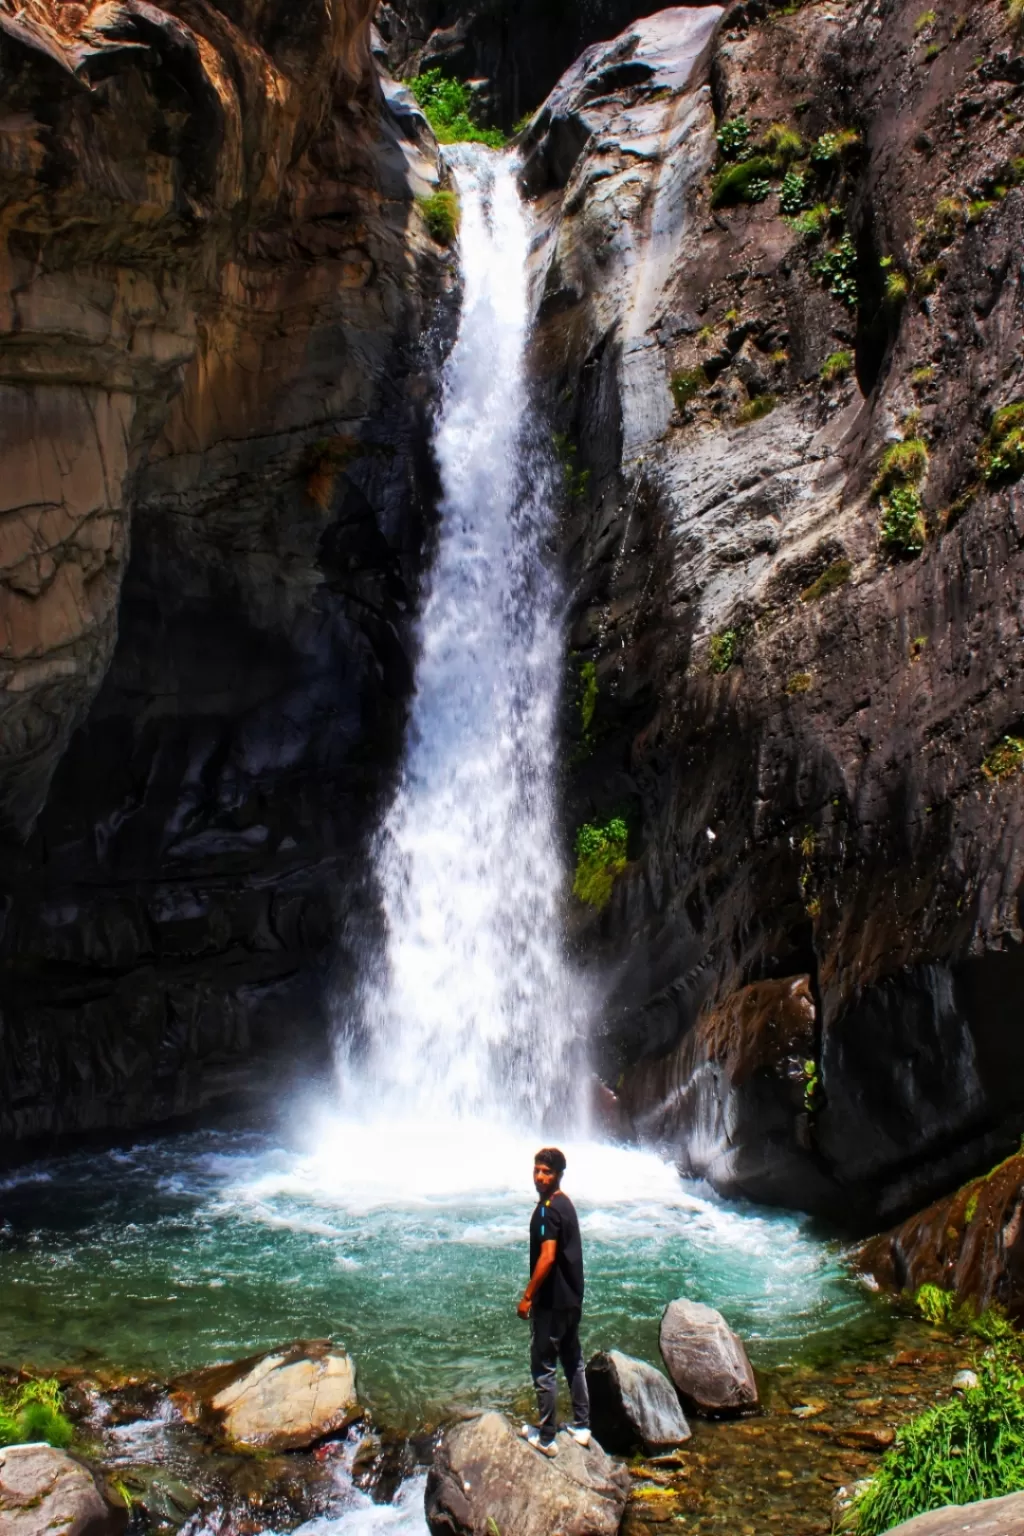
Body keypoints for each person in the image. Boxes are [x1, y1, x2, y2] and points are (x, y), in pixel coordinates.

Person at [517, 1146, 591, 1456]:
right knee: (573, 1359)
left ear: (558, 1175)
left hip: (551, 1301)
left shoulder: (548, 1209)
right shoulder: (565, 1204)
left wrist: (527, 1296)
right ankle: (583, 1426)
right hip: (572, 1298)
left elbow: (547, 1258)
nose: (539, 1176)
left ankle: (546, 1438)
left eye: (546, 1172)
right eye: (537, 1170)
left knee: (544, 1365)